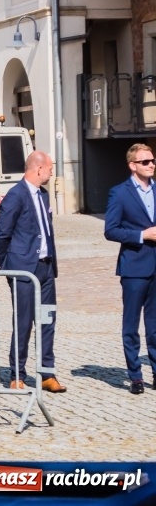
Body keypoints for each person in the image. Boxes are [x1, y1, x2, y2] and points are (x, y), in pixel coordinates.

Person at [0, 151, 66, 394]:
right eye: (49, 168)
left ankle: (47, 372)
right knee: (23, 322)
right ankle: (17, 373)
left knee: (47, 319)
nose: (51, 172)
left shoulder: (43, 196)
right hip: (23, 269)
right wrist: (6, 265)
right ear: (38, 169)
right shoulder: (16, 195)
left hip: (45, 268)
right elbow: (2, 233)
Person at [104, 143, 156, 395]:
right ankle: (135, 375)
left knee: (155, 325)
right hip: (134, 267)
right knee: (131, 325)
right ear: (132, 165)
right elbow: (110, 230)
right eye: (145, 162)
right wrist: (141, 235)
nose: (151, 165)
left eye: (153, 160)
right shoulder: (120, 193)